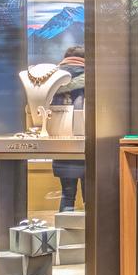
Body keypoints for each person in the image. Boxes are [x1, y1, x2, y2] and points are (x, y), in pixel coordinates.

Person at [51, 46, 85, 212]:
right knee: (92, 198)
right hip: (88, 147)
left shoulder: (50, 80)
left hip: (61, 146)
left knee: (67, 195)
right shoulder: (93, 80)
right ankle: (92, 236)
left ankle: (64, 235)